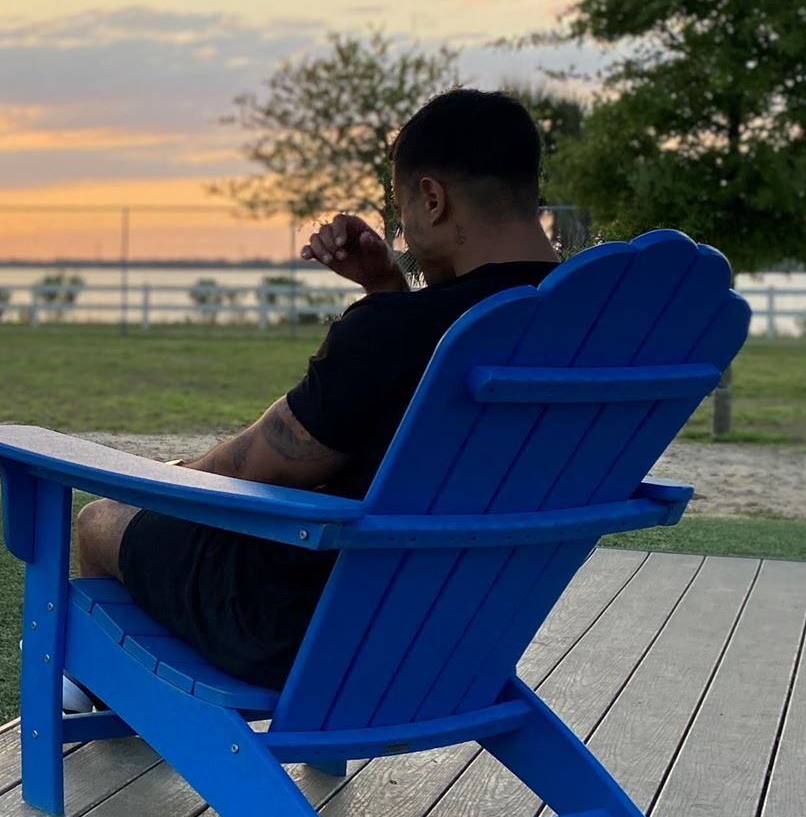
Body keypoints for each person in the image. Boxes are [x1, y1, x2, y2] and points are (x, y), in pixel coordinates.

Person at [76, 87, 562, 689]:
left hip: (308, 632)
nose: (403, 233)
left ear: (432, 198)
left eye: (403, 210)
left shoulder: (398, 334)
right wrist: (387, 291)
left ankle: (98, 697)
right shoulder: (595, 328)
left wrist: (160, 480)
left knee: (100, 520)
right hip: (467, 631)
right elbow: (428, 406)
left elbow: (256, 469)